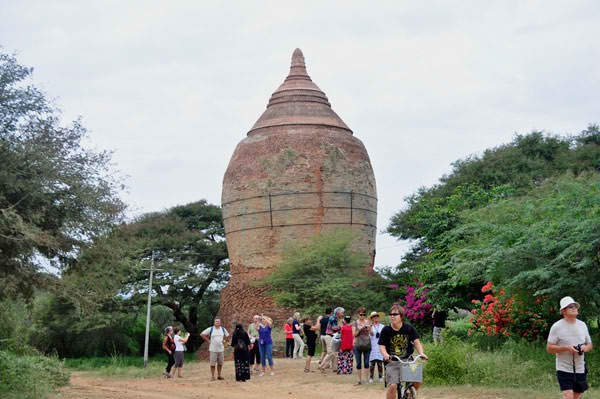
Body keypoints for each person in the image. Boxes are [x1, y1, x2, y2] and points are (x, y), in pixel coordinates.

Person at [547, 296, 593, 399]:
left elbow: (589, 345)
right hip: (563, 367)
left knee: (576, 396)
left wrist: (585, 348)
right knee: (568, 395)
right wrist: (566, 348)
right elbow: (549, 348)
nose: (574, 308)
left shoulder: (582, 325)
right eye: (570, 306)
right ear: (563, 311)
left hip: (580, 367)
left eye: (575, 306)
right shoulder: (557, 326)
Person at [379, 304, 428, 399]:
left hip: (408, 360)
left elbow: (417, 342)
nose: (392, 316)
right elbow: (381, 346)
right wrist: (385, 355)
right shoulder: (386, 330)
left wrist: (421, 353)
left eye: (395, 314)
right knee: (393, 385)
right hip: (392, 361)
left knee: (418, 380)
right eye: (391, 314)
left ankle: (410, 394)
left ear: (401, 316)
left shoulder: (408, 327)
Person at [319, 307, 344, 372]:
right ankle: (322, 366)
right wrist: (342, 327)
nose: (343, 314)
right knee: (331, 353)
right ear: (338, 313)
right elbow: (334, 328)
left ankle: (335, 368)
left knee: (335, 353)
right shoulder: (333, 318)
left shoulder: (336, 318)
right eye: (342, 313)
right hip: (329, 336)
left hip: (333, 337)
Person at [353, 307, 371, 385]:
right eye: (361, 314)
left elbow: (372, 333)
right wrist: (359, 329)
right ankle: (359, 380)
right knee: (358, 363)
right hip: (357, 345)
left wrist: (370, 329)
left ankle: (366, 380)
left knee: (366, 363)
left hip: (367, 344)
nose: (362, 316)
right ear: (358, 315)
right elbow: (354, 334)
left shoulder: (368, 322)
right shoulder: (355, 323)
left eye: (364, 314)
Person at [368, 312, 384, 383]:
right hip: (373, 345)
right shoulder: (370, 326)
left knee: (380, 363)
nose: (376, 318)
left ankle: (380, 377)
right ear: (372, 319)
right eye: (374, 317)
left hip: (380, 345)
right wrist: (370, 330)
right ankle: (371, 377)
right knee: (372, 363)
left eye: (377, 316)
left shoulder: (382, 326)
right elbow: (371, 335)